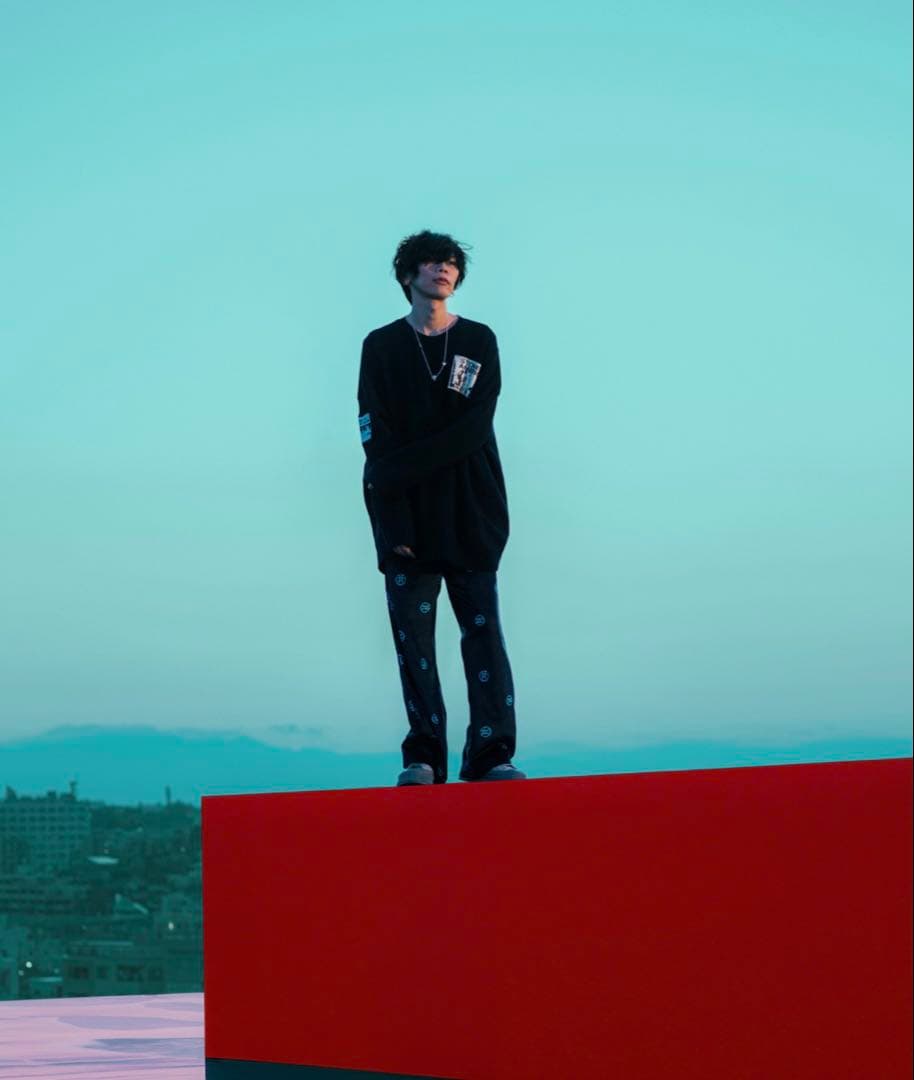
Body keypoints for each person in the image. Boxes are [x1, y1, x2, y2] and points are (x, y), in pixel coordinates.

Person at [357, 229, 527, 786]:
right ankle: (424, 755)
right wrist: (393, 505)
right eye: (432, 261)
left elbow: (474, 428)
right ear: (409, 275)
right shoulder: (381, 346)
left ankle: (490, 753)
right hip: (404, 516)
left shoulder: (478, 339)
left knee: (483, 632)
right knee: (415, 643)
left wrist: (398, 466)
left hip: (471, 509)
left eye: (451, 262)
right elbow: (374, 431)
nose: (444, 268)